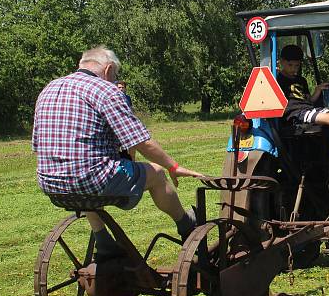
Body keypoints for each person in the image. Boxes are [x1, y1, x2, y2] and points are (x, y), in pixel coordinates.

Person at [32, 46, 203, 257]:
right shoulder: (105, 90)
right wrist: (173, 166)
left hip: (51, 182)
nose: (115, 80)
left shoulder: (50, 88)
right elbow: (141, 141)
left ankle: (104, 243)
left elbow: (37, 145)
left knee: (84, 179)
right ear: (109, 69)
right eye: (115, 75)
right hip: (89, 179)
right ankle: (187, 225)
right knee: (157, 173)